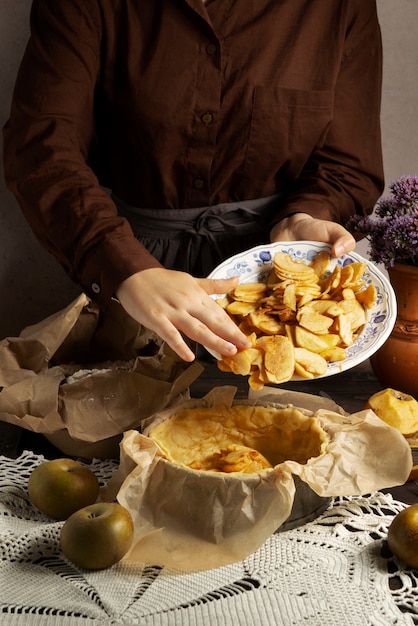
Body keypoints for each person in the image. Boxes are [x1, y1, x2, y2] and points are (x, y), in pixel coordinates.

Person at [3, 0, 384, 363]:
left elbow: (346, 163)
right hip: (133, 282)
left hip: (277, 296)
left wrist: (306, 216)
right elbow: (42, 147)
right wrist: (126, 267)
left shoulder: (340, 7)